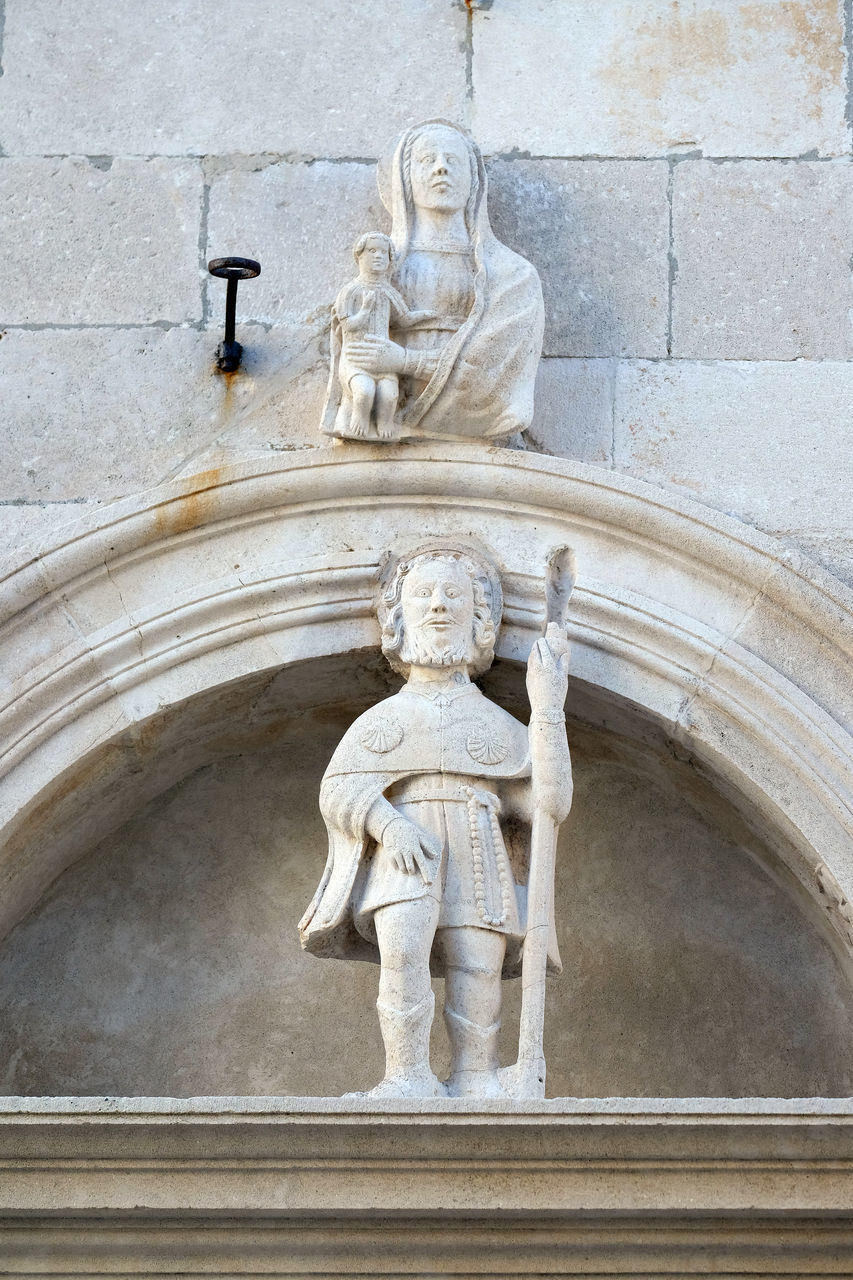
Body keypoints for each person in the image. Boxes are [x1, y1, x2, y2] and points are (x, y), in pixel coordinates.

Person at [298, 543, 572, 1098]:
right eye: (423, 595)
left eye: (454, 595)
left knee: (478, 967)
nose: (439, 607)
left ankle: (476, 1076)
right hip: (407, 845)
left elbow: (549, 804)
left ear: (480, 621)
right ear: (399, 618)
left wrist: (547, 708)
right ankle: (407, 1076)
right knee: (402, 957)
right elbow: (340, 789)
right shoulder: (384, 720)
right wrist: (385, 822)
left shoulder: (495, 723)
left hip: (477, 842)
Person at [320, 121, 545, 442]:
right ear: (404, 179)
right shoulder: (378, 270)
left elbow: (497, 378)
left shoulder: (512, 276)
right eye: (428, 160)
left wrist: (405, 361)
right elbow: (357, 337)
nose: (441, 168)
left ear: (474, 180)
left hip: (473, 415)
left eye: (453, 161)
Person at [328, 232, 436, 440]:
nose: (378, 256)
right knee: (364, 393)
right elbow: (348, 325)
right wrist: (365, 311)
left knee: (390, 395)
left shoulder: (388, 291)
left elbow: (403, 319)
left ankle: (384, 422)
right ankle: (359, 419)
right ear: (358, 256)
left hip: (383, 360)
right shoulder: (350, 291)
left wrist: (426, 316)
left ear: (389, 259)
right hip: (356, 358)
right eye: (372, 251)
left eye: (384, 252)